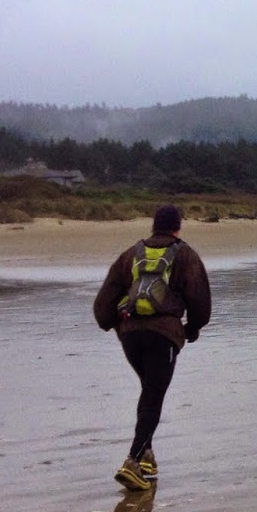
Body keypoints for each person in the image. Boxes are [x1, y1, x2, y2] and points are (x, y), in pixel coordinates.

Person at [93, 204, 211, 492]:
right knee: (153, 399)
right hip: (163, 336)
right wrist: (191, 329)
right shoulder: (185, 255)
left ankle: (147, 456)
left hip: (131, 337)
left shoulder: (131, 254)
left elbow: (103, 304)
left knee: (149, 393)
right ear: (177, 227)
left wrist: (113, 325)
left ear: (153, 226)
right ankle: (132, 462)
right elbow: (200, 303)